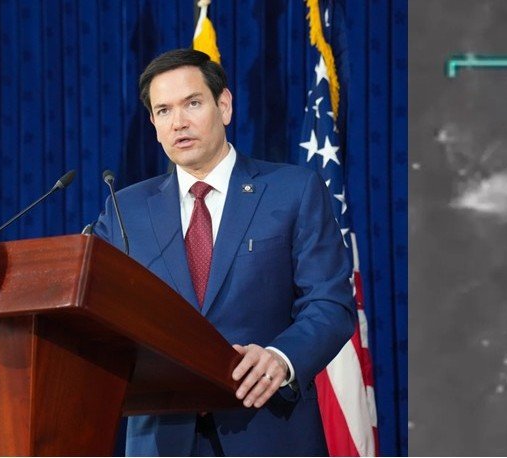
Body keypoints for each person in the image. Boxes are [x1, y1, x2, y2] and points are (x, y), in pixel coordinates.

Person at [94, 48, 356, 456]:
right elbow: (102, 313)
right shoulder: (124, 209)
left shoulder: (292, 190)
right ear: (154, 125)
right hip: (161, 437)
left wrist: (281, 358)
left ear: (224, 105)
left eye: (192, 103)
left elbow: (331, 302)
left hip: (267, 426)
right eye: (163, 111)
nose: (178, 121)